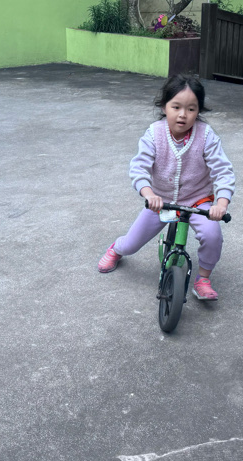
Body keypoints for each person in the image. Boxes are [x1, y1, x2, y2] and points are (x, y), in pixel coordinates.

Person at [98, 74, 235, 300]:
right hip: (160, 201)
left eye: (191, 109)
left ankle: (203, 278)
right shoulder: (154, 133)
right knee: (131, 243)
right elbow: (139, 168)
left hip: (198, 200)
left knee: (213, 235)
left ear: (198, 111)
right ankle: (116, 249)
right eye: (176, 107)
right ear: (164, 106)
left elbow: (223, 171)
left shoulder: (206, 135)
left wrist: (221, 204)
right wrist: (149, 194)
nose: (183, 114)